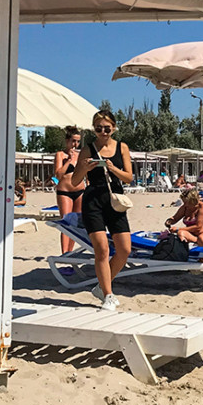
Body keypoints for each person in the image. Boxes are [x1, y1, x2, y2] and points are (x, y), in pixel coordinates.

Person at [70, 110, 133, 310]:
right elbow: (74, 181)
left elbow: (129, 178)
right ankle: (108, 294)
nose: (103, 132)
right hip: (93, 201)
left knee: (124, 250)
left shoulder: (122, 147)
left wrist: (113, 168)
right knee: (102, 249)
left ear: (113, 128)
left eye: (107, 128)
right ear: (94, 129)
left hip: (115, 200)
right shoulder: (88, 149)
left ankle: (101, 287)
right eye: (98, 128)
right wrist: (85, 168)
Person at [53, 126, 85, 254]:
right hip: (65, 192)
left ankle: (70, 252)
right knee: (66, 223)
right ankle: (64, 253)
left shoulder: (81, 155)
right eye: (73, 141)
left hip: (79, 191)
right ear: (67, 140)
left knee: (76, 224)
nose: (75, 144)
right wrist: (69, 161)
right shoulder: (60, 155)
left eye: (77, 141)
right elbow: (58, 175)